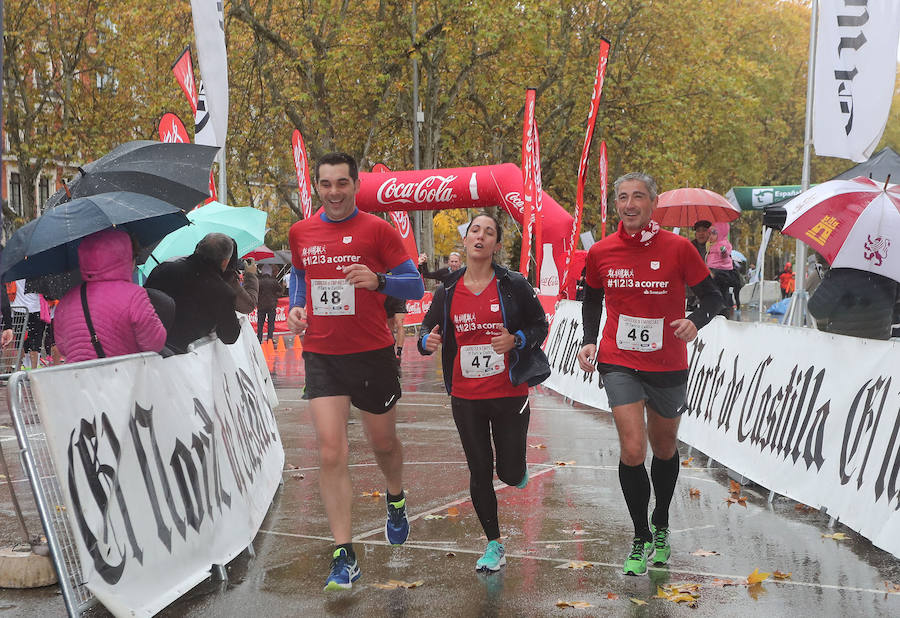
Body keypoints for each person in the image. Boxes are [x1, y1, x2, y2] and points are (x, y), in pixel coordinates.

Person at [286, 152, 425, 591]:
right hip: (322, 356)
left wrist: (379, 281)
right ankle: (344, 554)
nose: (333, 193)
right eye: (325, 184)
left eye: (341, 184)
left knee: (382, 444)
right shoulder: (301, 231)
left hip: (372, 355)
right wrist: (294, 306)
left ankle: (396, 497)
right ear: (317, 187)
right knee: (331, 451)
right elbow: (297, 273)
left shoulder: (377, 230)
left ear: (355, 184)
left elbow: (416, 285)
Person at [575, 172, 723, 577]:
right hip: (618, 360)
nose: (629, 204)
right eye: (622, 197)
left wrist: (695, 321)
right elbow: (592, 298)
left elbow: (714, 297)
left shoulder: (678, 248)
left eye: (638, 196)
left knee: (664, 447)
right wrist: (590, 339)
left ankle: (660, 522)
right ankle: (640, 535)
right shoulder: (602, 251)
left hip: (668, 362)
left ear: (652, 203)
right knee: (632, 448)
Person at [418, 213, 549, 573]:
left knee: (508, 472)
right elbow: (427, 328)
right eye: (475, 230)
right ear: (465, 240)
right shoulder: (447, 291)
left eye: (489, 232)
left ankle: (517, 469)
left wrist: (516, 340)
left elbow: (540, 324)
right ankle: (494, 543)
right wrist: (425, 340)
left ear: (496, 245)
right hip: (466, 394)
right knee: (479, 469)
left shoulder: (513, 284)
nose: (481, 236)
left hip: (509, 390)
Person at [54, 228, 167, 363]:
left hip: (79, 381)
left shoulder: (67, 300)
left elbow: (63, 347)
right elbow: (155, 343)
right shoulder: (134, 296)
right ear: (125, 258)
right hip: (123, 380)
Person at [145, 232, 241, 353]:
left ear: (197, 249)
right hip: (186, 361)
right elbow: (229, 336)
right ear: (225, 262)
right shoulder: (223, 292)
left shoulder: (164, 269)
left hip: (146, 351)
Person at [808, 268, 899, 340]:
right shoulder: (889, 274)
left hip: (843, 346)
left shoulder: (841, 272)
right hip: (878, 348)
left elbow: (816, 309)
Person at [705, 226, 738, 318]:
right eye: (709, 234)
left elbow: (725, 254)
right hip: (713, 269)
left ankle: (722, 308)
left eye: (714, 234)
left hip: (720, 272)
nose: (711, 236)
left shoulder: (722, 244)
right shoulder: (712, 244)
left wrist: (723, 251)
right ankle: (720, 307)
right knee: (718, 291)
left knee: (720, 291)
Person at [11, 279, 44, 369]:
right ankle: (34, 370)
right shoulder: (38, 272)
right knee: (35, 341)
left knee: (19, 341)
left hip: (19, 308)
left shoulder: (17, 270)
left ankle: (18, 368)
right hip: (35, 308)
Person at [222, 239, 259, 314]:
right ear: (226, 261)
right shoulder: (226, 278)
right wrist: (250, 275)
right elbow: (248, 306)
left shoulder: (195, 277)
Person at [257, 268, 283, 347]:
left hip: (261, 305)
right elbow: (280, 290)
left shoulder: (259, 282)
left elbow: (255, 291)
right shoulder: (274, 281)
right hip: (271, 305)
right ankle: (270, 339)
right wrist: (275, 295)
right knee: (271, 324)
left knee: (260, 324)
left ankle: (259, 338)